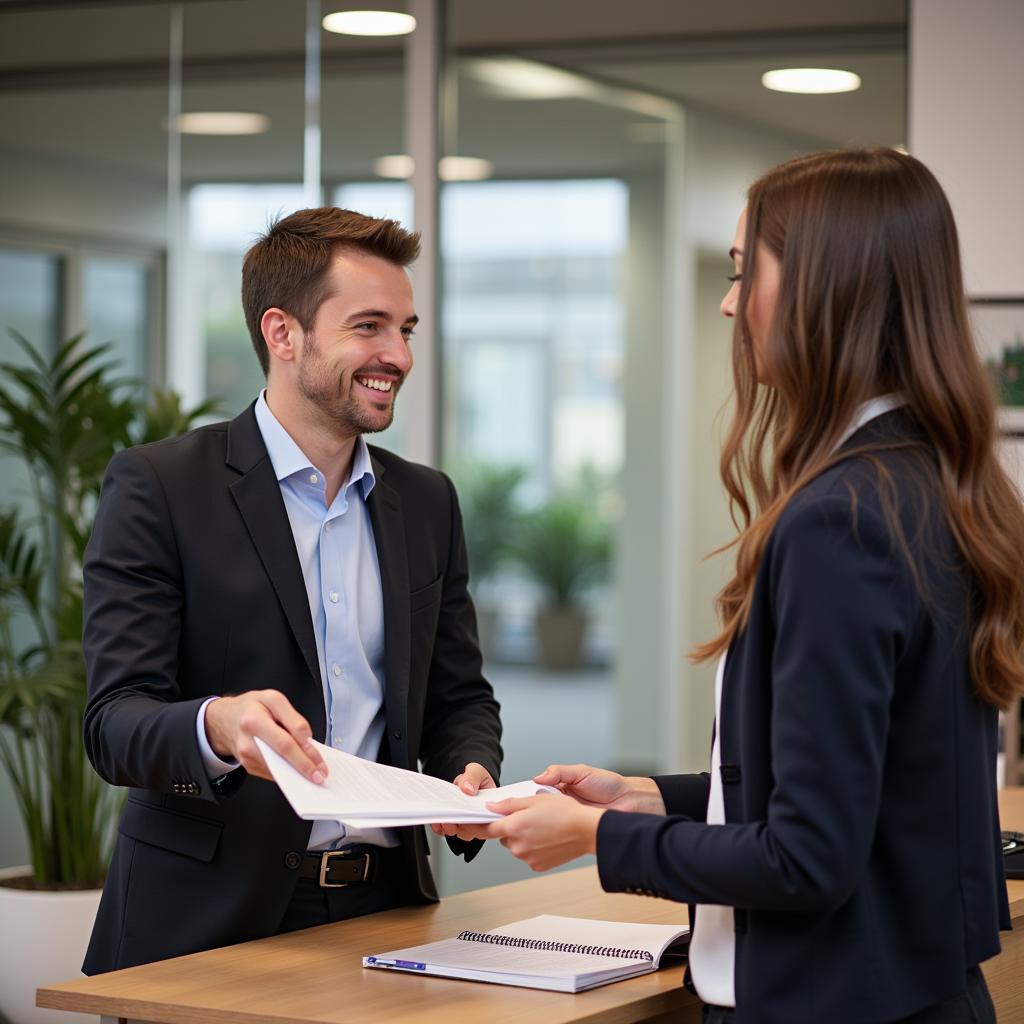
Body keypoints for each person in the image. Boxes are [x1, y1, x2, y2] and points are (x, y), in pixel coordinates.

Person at [473, 149, 1024, 1022]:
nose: (730, 304)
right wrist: (653, 796)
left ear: (825, 285)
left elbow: (808, 857)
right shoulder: (926, 482)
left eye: (743, 273)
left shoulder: (839, 518)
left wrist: (601, 838)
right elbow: (865, 786)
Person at [81, 207, 503, 973]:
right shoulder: (160, 487)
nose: (397, 355)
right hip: (206, 923)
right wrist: (220, 726)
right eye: (369, 327)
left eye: (406, 329)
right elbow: (113, 723)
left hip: (388, 914)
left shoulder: (427, 501)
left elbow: (460, 697)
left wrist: (470, 769)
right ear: (283, 334)